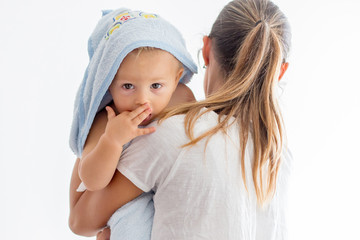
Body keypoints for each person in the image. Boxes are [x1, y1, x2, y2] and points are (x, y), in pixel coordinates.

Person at [69, 0, 292, 239]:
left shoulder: (175, 134)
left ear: (206, 49)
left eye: (155, 85)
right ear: (280, 71)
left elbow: (80, 221)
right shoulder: (277, 154)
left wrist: (96, 124)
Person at [68, 8, 197, 239]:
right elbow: (91, 180)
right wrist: (112, 141)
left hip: (154, 191)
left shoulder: (182, 97)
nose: (142, 99)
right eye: (127, 86)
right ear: (108, 83)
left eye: (156, 86)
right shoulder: (106, 119)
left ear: (176, 78)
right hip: (111, 207)